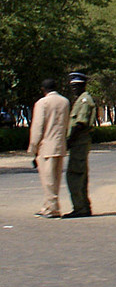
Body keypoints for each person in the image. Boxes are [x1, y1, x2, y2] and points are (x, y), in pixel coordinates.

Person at [28, 79, 70, 218]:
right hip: (60, 144)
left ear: (43, 89)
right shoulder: (65, 102)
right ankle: (47, 206)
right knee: (55, 179)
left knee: (48, 180)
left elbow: (38, 127)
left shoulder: (42, 103)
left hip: (46, 146)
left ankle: (53, 208)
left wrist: (33, 147)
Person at [64, 72, 97, 218]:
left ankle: (80, 207)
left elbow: (80, 124)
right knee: (80, 175)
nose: (74, 89)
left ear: (83, 85)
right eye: (72, 87)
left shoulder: (84, 101)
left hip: (79, 142)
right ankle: (83, 206)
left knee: (75, 176)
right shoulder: (81, 100)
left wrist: (69, 141)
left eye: (76, 86)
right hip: (79, 143)